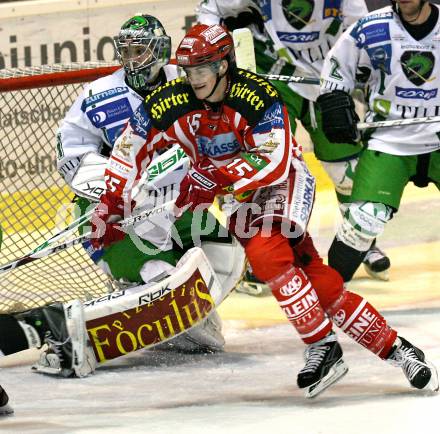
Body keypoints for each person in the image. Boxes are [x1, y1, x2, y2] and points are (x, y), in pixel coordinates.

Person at [87, 23, 438, 397]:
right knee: (315, 277)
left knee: (265, 252)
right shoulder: (170, 100)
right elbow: (130, 146)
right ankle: (396, 348)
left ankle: (322, 345)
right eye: (188, 71)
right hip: (237, 195)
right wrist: (112, 202)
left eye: (202, 70)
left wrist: (215, 176)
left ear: (223, 66)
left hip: (281, 180)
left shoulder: (256, 95)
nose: (193, 79)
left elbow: (274, 156)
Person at [0, 14, 234, 363]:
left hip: (177, 203)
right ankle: (75, 319)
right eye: (125, 51)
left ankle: (158, 307)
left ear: (160, 51)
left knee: (227, 256)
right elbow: (72, 154)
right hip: (115, 213)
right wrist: (119, 190)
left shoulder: (187, 82)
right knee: (164, 284)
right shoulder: (99, 94)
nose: (131, 59)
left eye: (139, 50)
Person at [195, 0, 391, 290]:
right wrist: (212, 50)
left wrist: (366, 71)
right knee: (266, 159)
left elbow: (364, 34)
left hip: (326, 82)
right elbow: (211, 7)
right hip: (275, 74)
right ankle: (259, 250)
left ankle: (363, 241)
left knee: (345, 171)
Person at [318, 0, 440, 283]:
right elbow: (336, 68)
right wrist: (335, 103)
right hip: (389, 141)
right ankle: (330, 295)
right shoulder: (371, 28)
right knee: (363, 220)